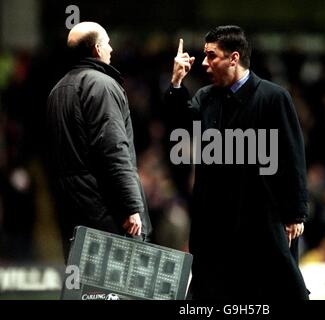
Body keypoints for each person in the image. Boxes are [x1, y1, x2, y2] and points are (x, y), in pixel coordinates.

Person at [164, 25, 310, 300]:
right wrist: (176, 84)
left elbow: (293, 155)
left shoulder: (273, 97)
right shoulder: (205, 97)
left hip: (262, 220)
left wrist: (296, 213)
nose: (204, 63)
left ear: (233, 58)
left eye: (211, 56)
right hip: (215, 223)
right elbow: (177, 129)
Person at [46, 22, 152, 261]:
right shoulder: (101, 85)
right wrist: (130, 206)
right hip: (104, 210)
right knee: (109, 290)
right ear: (96, 49)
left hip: (71, 208)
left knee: (82, 286)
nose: (112, 49)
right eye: (107, 43)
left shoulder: (57, 90)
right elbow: (113, 149)